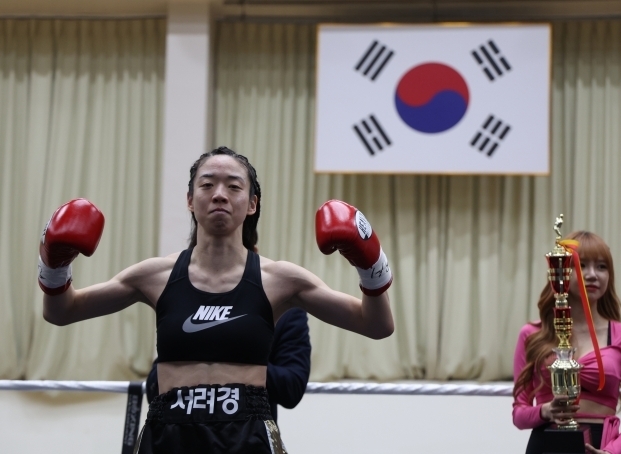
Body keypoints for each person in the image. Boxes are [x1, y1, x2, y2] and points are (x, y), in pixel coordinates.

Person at [39, 146, 394, 454]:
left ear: (252, 203)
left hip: (246, 433)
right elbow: (63, 311)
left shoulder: (281, 280)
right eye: (207, 184)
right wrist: (54, 264)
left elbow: (375, 325)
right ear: (190, 200)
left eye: (233, 186)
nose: (220, 194)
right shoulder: (154, 276)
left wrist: (370, 265)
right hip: (168, 431)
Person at [512, 231, 621, 454]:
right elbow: (519, 415)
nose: (592, 275)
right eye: (581, 265)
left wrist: (613, 451)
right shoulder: (532, 334)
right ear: (562, 271)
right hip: (545, 445)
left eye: (602, 266)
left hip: (601, 447)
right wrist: (546, 411)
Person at [146, 307, 311, 423]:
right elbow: (154, 387)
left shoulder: (285, 310)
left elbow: (292, 388)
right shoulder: (187, 304)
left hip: (248, 440)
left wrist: (234, 351)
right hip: (181, 439)